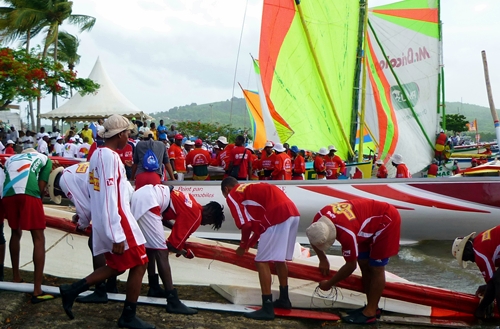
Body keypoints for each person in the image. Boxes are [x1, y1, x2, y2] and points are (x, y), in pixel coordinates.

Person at [59, 114, 154, 329]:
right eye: (128, 133)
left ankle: (72, 290)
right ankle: (128, 316)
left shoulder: (100, 155)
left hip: (114, 219)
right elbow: (110, 196)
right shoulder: (108, 157)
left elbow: (100, 194)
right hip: (119, 219)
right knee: (140, 263)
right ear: (120, 134)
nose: (129, 137)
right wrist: (116, 234)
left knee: (119, 265)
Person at [131, 184, 225, 313]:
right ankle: (172, 300)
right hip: (150, 201)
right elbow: (171, 246)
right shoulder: (196, 216)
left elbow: (163, 218)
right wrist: (186, 253)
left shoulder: (192, 201)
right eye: (209, 223)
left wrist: (175, 233)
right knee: (161, 252)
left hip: (144, 194)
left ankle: (153, 286)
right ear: (210, 216)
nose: (204, 224)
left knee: (151, 247)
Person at [306, 199, 401, 324]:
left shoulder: (347, 233)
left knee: (376, 268)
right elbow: (313, 238)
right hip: (362, 222)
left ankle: (371, 312)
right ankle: (371, 306)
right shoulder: (318, 220)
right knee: (364, 263)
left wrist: (329, 283)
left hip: (386, 219)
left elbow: (351, 265)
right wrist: (322, 258)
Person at [220, 177, 300, 320]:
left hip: (278, 214)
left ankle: (267, 308)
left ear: (226, 189)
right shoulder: (249, 189)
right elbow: (259, 227)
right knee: (279, 259)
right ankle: (284, 299)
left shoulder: (233, 194)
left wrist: (242, 246)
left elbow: (246, 225)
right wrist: (250, 244)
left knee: (261, 261)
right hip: (292, 211)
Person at [47, 162, 119, 303]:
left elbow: (85, 210)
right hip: (113, 195)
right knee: (109, 243)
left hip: (107, 202)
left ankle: (100, 290)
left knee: (96, 244)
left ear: (56, 187)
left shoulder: (64, 182)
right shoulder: (72, 171)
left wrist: (80, 225)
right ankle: (111, 284)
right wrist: (80, 217)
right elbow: (88, 202)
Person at [4, 148, 54, 303]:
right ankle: (37, 290)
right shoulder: (45, 158)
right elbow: (40, 187)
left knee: (15, 233)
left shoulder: (10, 159)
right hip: (28, 193)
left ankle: (16, 277)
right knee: (38, 238)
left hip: (7, 194)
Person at [452, 227, 500, 319]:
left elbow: (493, 284)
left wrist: (480, 309)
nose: (472, 261)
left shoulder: (479, 253)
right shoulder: (480, 240)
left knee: (498, 279)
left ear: (467, 250)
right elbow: (492, 285)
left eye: (466, 258)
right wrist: (486, 288)